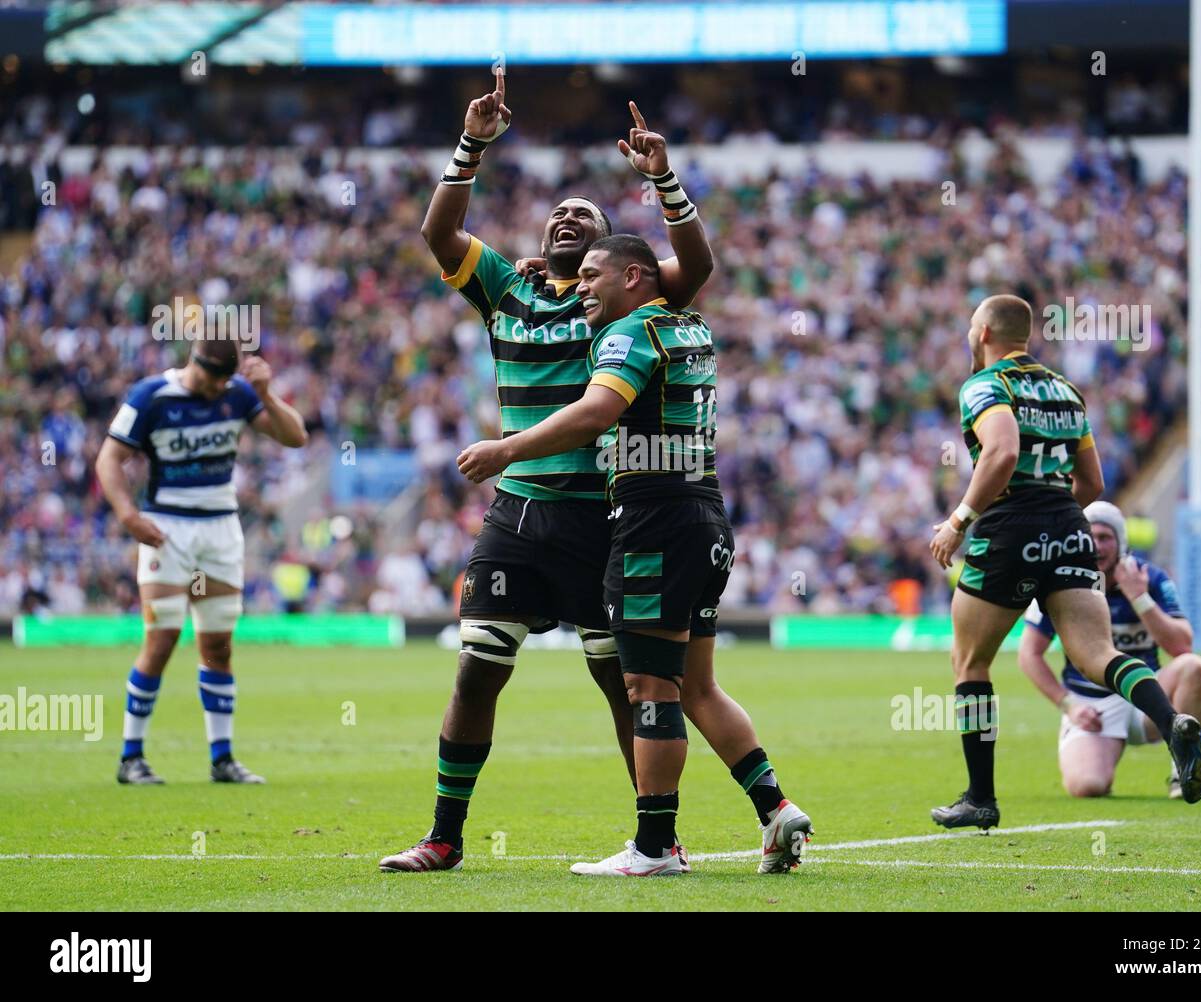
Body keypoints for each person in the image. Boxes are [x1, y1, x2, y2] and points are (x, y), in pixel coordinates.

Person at [380, 70, 716, 872]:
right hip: (519, 517)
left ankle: (654, 836)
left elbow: (695, 267)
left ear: (608, 251)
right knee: (475, 673)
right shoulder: (507, 288)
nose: (568, 216)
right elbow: (438, 234)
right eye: (558, 212)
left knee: (624, 688)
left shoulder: (619, 300)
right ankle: (443, 837)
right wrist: (473, 144)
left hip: (603, 518)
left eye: (586, 216)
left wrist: (662, 180)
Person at [459, 235, 812, 875]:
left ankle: (654, 847)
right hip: (705, 515)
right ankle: (776, 808)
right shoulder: (691, 327)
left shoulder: (628, 335)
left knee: (650, 687)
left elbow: (596, 413)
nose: (582, 289)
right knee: (698, 684)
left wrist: (506, 450)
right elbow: (689, 270)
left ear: (633, 276)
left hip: (653, 523)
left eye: (593, 277)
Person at [927, 294, 1201, 829]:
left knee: (971, 663)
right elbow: (1094, 483)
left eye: (971, 326)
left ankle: (980, 798)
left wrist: (959, 520)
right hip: (1070, 524)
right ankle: (1172, 722)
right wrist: (1056, 526)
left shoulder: (985, 385)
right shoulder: (1065, 390)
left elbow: (1002, 452)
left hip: (1010, 527)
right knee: (1095, 653)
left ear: (985, 331)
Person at [95, 335, 308, 784]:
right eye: (214, 382)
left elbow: (295, 436)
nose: (219, 391)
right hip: (166, 530)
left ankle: (222, 759)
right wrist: (128, 515)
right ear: (196, 365)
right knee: (163, 636)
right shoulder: (151, 395)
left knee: (218, 646)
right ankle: (130, 757)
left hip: (220, 531)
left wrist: (266, 392)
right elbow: (109, 459)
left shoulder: (237, 392)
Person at [1019, 501, 1201, 799]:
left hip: (1149, 701)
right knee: (1087, 786)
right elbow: (1029, 654)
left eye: (1105, 537)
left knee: (1194, 667)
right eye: (1090, 536)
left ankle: (1184, 767)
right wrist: (1068, 705)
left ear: (1121, 541)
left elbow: (1182, 645)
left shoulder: (1151, 578)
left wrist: (1140, 598)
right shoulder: (1060, 582)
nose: (1097, 545)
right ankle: (1101, 753)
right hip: (1093, 705)